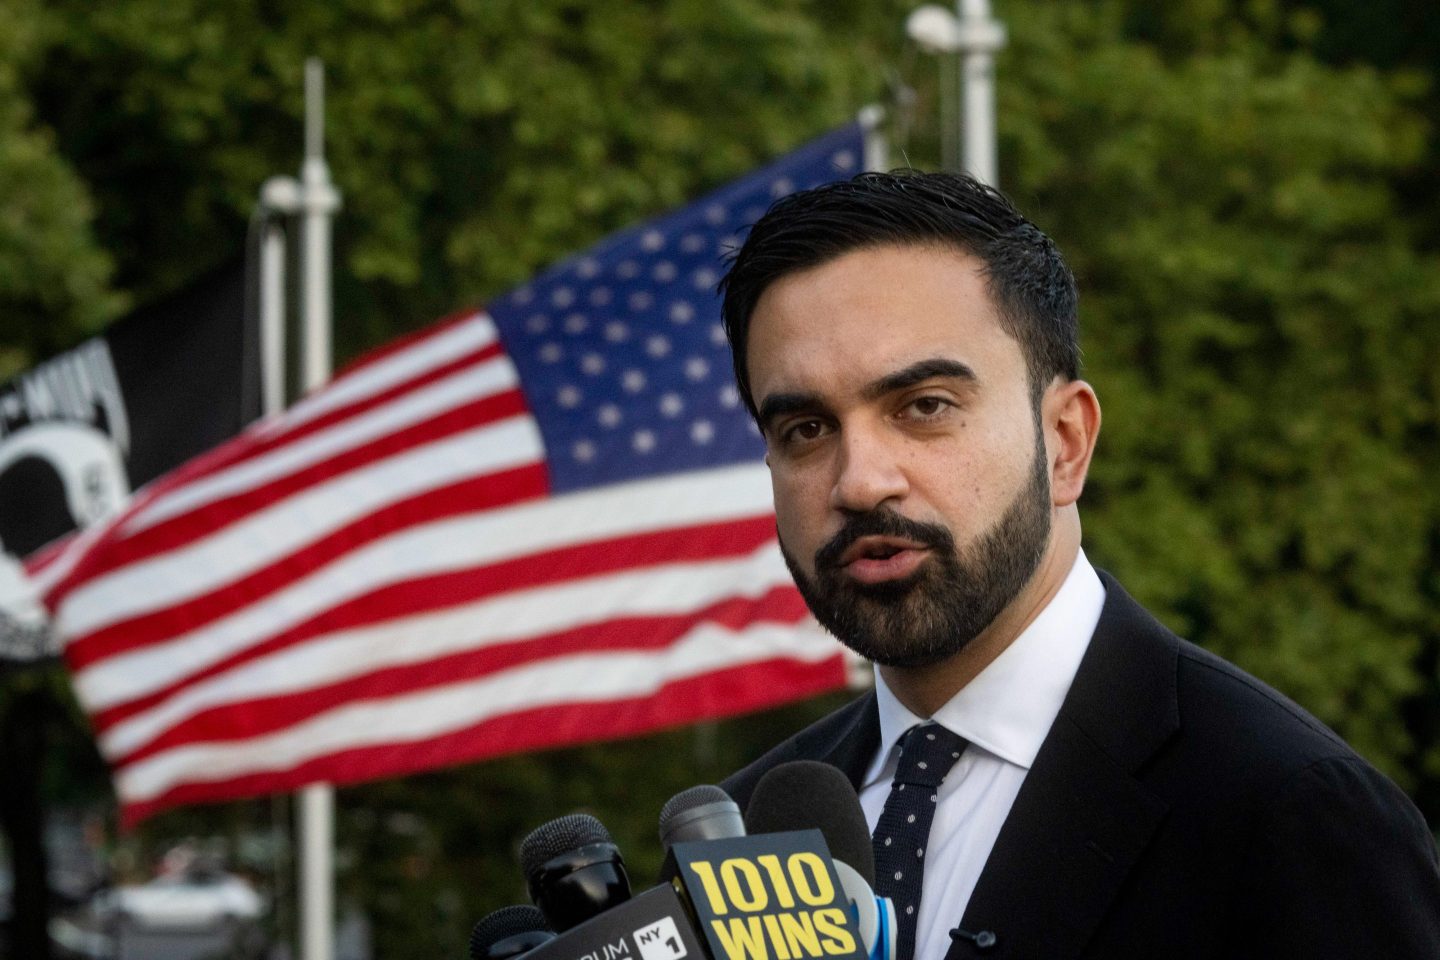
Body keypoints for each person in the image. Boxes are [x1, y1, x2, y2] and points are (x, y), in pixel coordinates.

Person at [716, 171, 1440, 959]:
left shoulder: (1286, 812)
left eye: (925, 406)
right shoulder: (745, 830)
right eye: (806, 430)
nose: (859, 480)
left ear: (1066, 441)